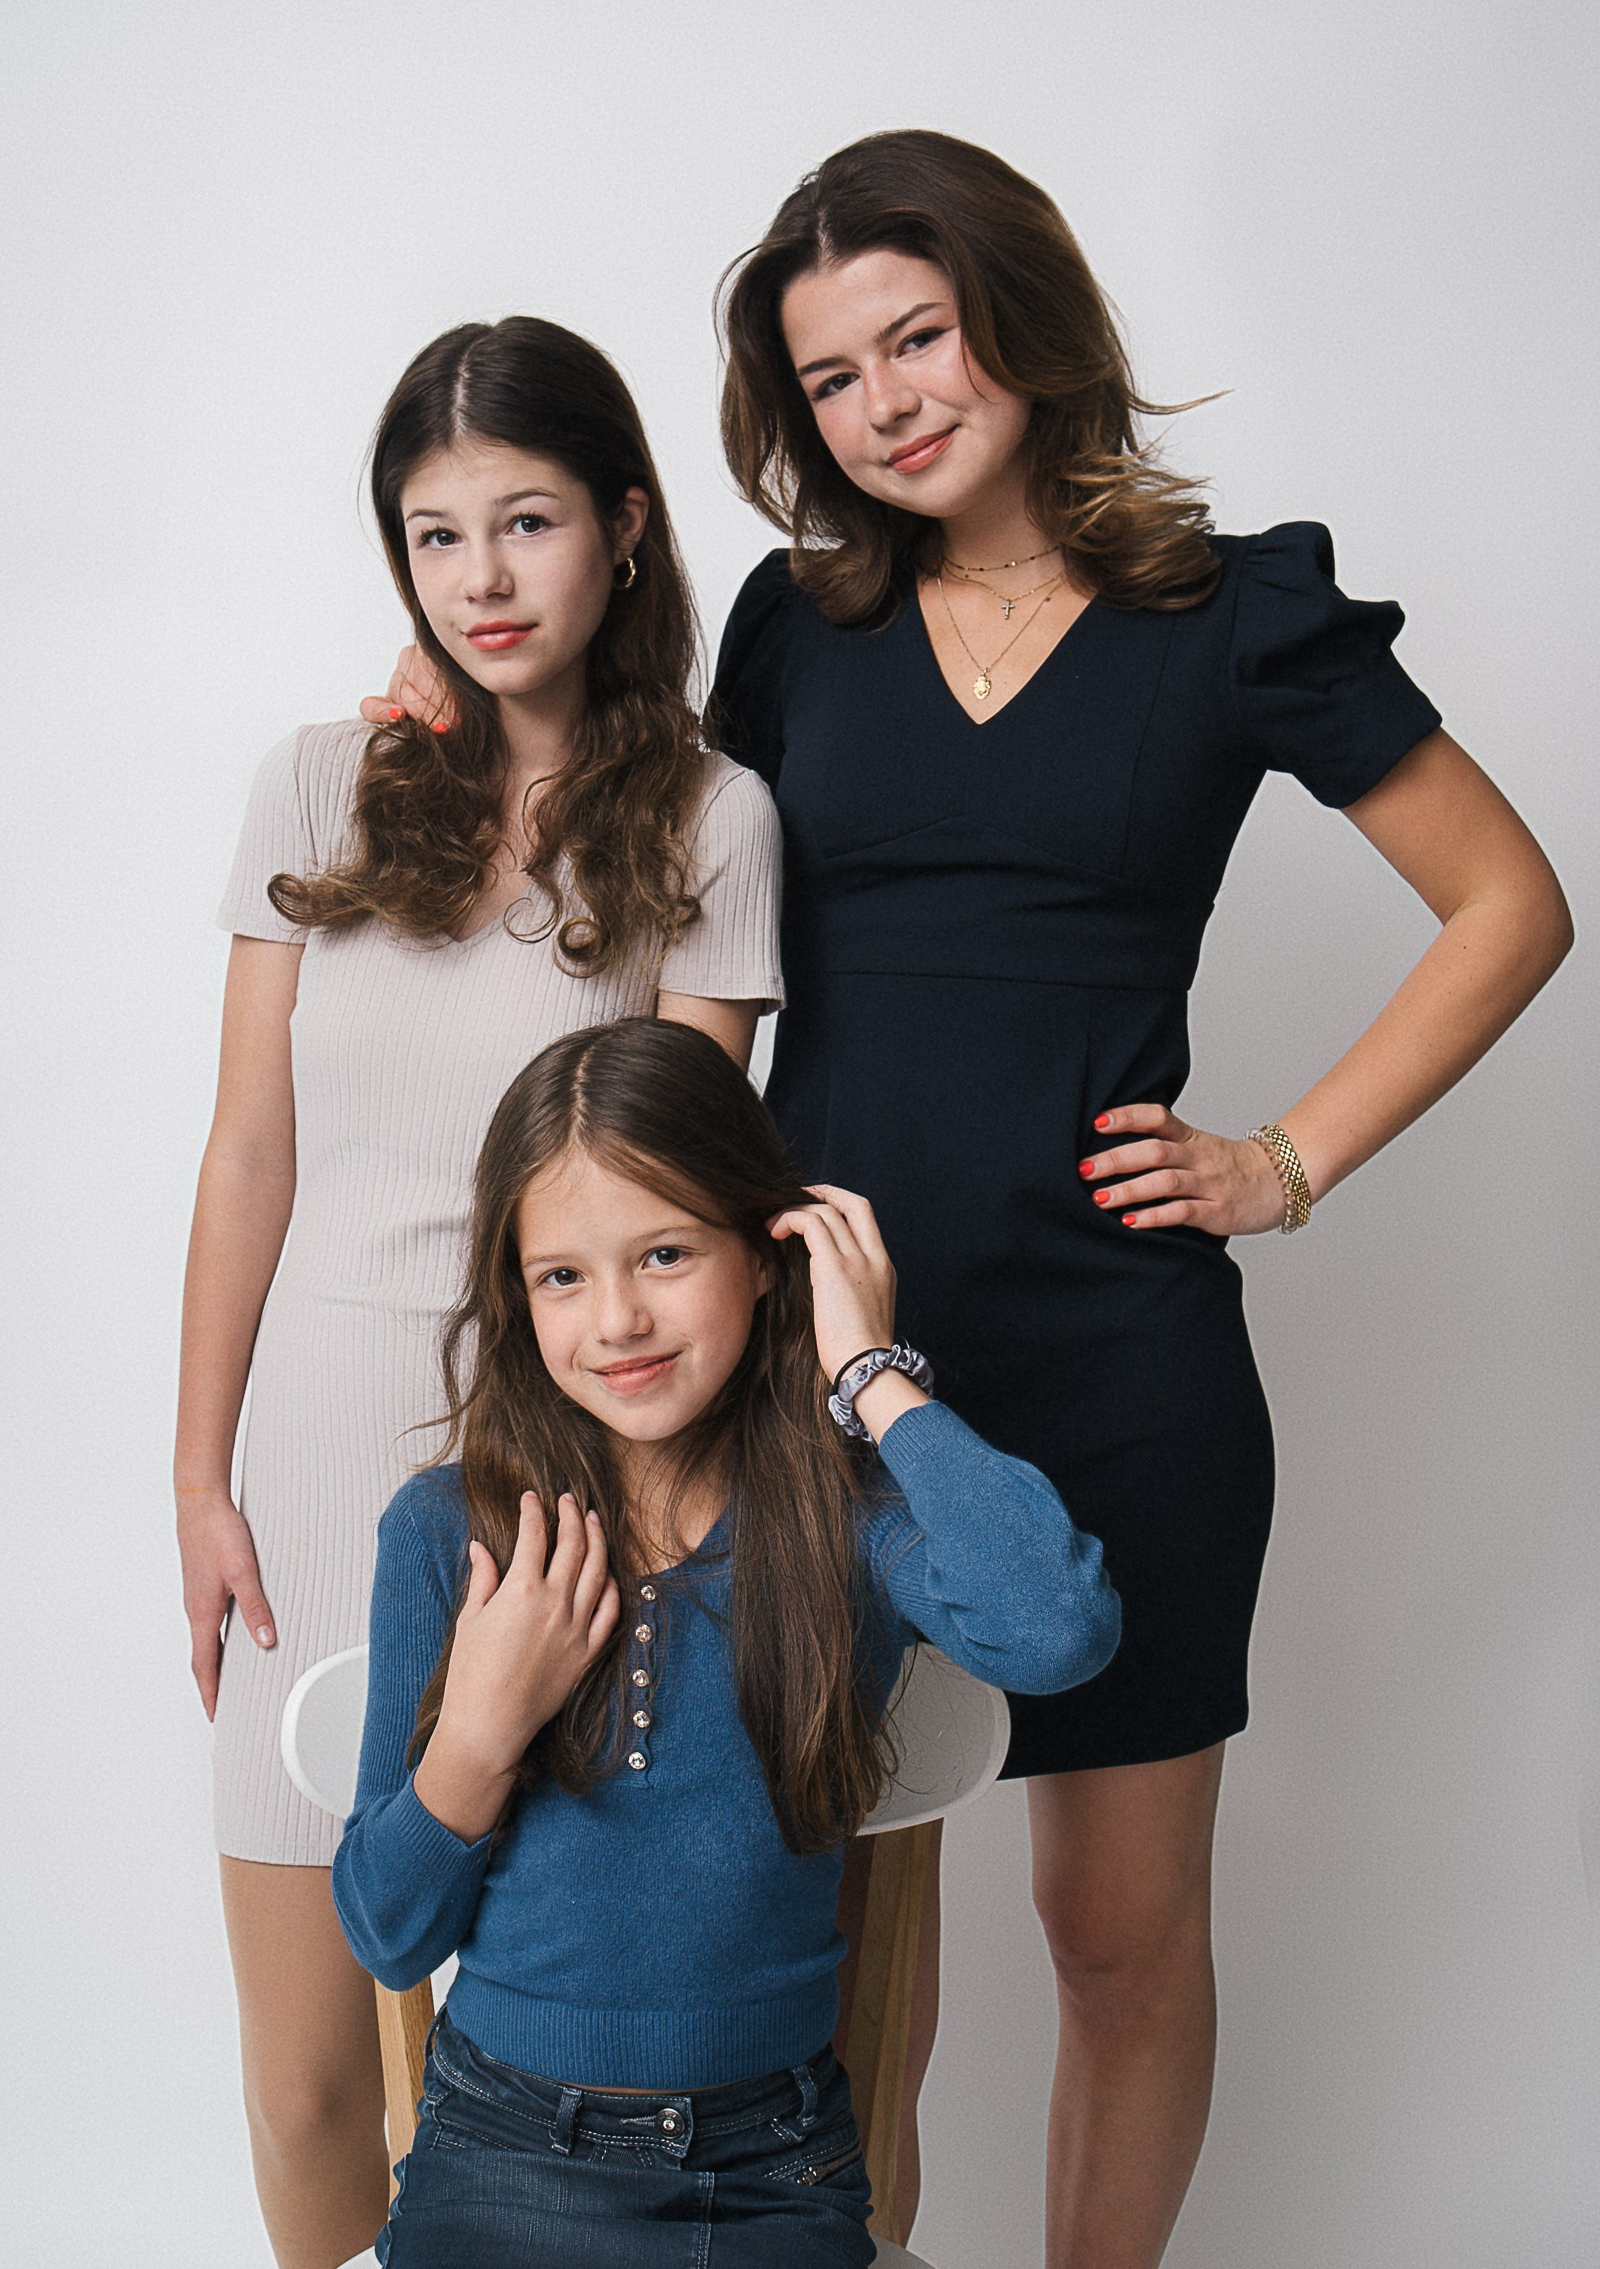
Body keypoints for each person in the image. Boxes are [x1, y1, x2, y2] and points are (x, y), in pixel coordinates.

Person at [359, 131, 1572, 2266]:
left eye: (913, 335)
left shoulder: (1228, 613)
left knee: (1110, 1937)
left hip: (1109, 1358)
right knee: (834, 1961)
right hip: (794, 1369)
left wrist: (1278, 1164)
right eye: (831, 377)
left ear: (1021, 315)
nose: (885, 400)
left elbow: (1506, 903)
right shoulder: (795, 623)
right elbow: (652, 837)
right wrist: (460, 700)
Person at [174, 318, 784, 2268]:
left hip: (554, 1475)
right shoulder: (312, 783)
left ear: (620, 525)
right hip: (310, 1440)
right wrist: (198, 1476)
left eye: (524, 522)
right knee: (304, 2076)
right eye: (434, 538)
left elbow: (680, 1193)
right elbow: (248, 1153)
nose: (483, 580)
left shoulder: (712, 822)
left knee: (517, 2063)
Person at [332, 1014, 1121, 2268]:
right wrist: (480, 1732)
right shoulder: (450, 1531)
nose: (617, 1321)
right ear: (514, 1291)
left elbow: (1058, 1625)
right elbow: (386, 1931)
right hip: (501, 2151)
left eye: (663, 1254)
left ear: (769, 1255)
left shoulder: (842, 1519)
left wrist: (868, 1370)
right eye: (562, 1277)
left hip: (772, 2166)